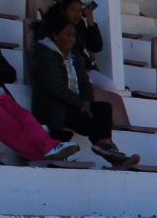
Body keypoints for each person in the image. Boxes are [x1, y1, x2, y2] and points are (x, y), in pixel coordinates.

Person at [0, 4, 79, 165]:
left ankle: (51, 148)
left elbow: (10, 74)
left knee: (27, 119)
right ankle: (40, 158)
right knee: (11, 129)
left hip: (2, 96)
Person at [29, 19, 126, 163]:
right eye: (67, 35)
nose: (71, 39)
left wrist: (86, 101)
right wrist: (81, 103)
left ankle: (105, 146)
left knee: (104, 108)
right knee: (91, 117)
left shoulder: (74, 57)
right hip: (52, 109)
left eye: (73, 35)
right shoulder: (45, 56)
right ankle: (102, 147)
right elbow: (55, 88)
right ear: (55, 36)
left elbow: (85, 83)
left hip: (73, 105)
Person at [43, 0, 111, 90]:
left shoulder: (80, 25)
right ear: (63, 10)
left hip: (85, 69)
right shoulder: (56, 27)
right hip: (66, 69)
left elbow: (96, 47)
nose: (77, 14)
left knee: (109, 86)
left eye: (79, 11)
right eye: (73, 10)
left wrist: (90, 23)